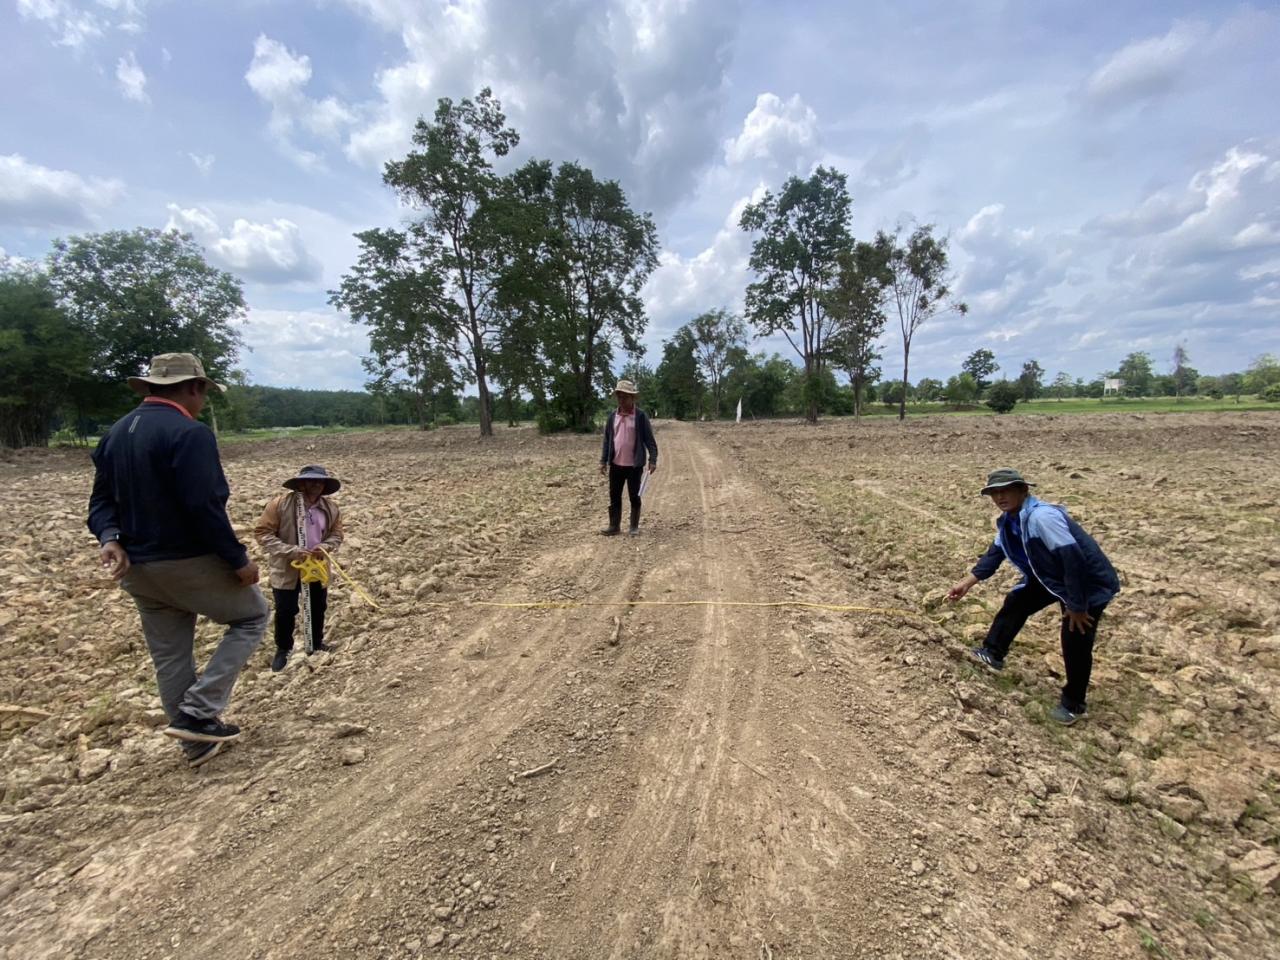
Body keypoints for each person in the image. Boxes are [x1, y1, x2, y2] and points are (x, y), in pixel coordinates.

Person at [87, 353, 267, 769]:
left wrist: (109, 536)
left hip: (136, 568)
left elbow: (100, 503)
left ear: (150, 387)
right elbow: (203, 506)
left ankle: (195, 742)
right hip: (185, 559)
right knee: (252, 616)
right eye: (203, 391)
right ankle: (199, 712)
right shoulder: (190, 433)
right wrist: (237, 559)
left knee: (170, 655)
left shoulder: (114, 434)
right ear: (195, 388)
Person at [945, 468, 1120, 726]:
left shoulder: (1042, 517)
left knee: (1075, 637)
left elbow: (1073, 561)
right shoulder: (1009, 521)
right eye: (995, 492)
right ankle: (992, 653)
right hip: (1052, 576)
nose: (1000, 496)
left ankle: (1074, 704)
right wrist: (967, 583)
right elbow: (995, 554)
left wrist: (1077, 605)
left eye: (1006, 490)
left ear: (1023, 490)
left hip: (1087, 583)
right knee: (1018, 601)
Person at [253, 466, 345, 672]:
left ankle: (316, 644)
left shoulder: (330, 508)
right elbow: (263, 534)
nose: (316, 484)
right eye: (311, 481)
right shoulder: (280, 505)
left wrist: (326, 546)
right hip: (288, 568)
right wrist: (290, 551)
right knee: (286, 609)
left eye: (320, 481)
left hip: (316, 566)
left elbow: (336, 534)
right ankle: (283, 648)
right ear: (300, 484)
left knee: (317, 606)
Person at [599, 379, 658, 537]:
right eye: (619, 396)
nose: (622, 400)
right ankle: (614, 526)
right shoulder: (612, 416)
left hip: (634, 466)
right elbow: (607, 440)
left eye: (625, 397)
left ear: (633, 398)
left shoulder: (640, 416)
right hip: (616, 464)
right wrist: (603, 461)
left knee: (634, 496)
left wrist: (653, 459)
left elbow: (649, 440)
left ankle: (633, 526)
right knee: (614, 496)